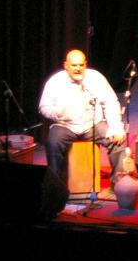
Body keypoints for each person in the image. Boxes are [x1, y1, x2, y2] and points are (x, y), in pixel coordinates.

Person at [39, 49, 127, 187]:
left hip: (92, 124)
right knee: (53, 143)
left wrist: (116, 127)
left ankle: (119, 184)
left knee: (118, 142)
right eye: (74, 65)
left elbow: (110, 102)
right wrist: (59, 113)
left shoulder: (96, 78)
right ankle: (56, 188)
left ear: (85, 64)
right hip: (65, 125)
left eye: (81, 65)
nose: (78, 69)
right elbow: (43, 107)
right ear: (66, 65)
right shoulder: (55, 82)